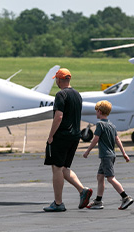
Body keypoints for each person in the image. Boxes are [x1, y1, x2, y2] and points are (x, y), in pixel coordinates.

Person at [43, 68, 92, 212]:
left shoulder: (60, 94)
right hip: (75, 135)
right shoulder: (77, 95)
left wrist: (51, 135)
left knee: (56, 168)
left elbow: (59, 117)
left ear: (59, 80)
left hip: (62, 135)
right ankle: (82, 190)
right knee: (64, 167)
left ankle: (58, 203)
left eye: (56, 80)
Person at [82, 100, 133, 210]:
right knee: (100, 177)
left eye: (96, 111)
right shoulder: (111, 125)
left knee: (110, 178)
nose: (96, 113)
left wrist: (87, 151)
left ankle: (125, 197)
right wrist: (124, 153)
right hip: (111, 155)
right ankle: (98, 201)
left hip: (105, 156)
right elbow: (117, 139)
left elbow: (96, 139)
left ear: (99, 111)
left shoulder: (100, 124)